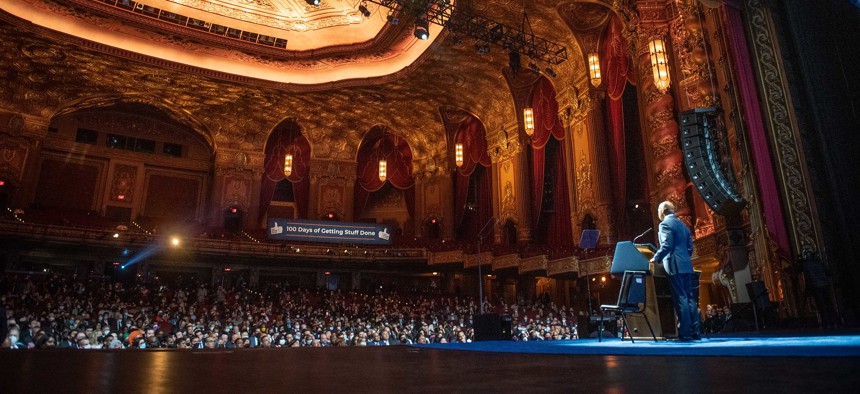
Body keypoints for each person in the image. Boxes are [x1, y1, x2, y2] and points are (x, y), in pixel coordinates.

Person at [649, 201, 699, 340]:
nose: (658, 211)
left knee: (680, 297)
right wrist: (683, 258)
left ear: (663, 210)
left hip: (675, 265)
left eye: (658, 208)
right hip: (686, 265)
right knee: (690, 297)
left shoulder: (664, 224)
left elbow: (666, 246)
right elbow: (690, 247)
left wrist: (656, 258)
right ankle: (696, 331)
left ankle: (685, 332)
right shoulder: (683, 225)